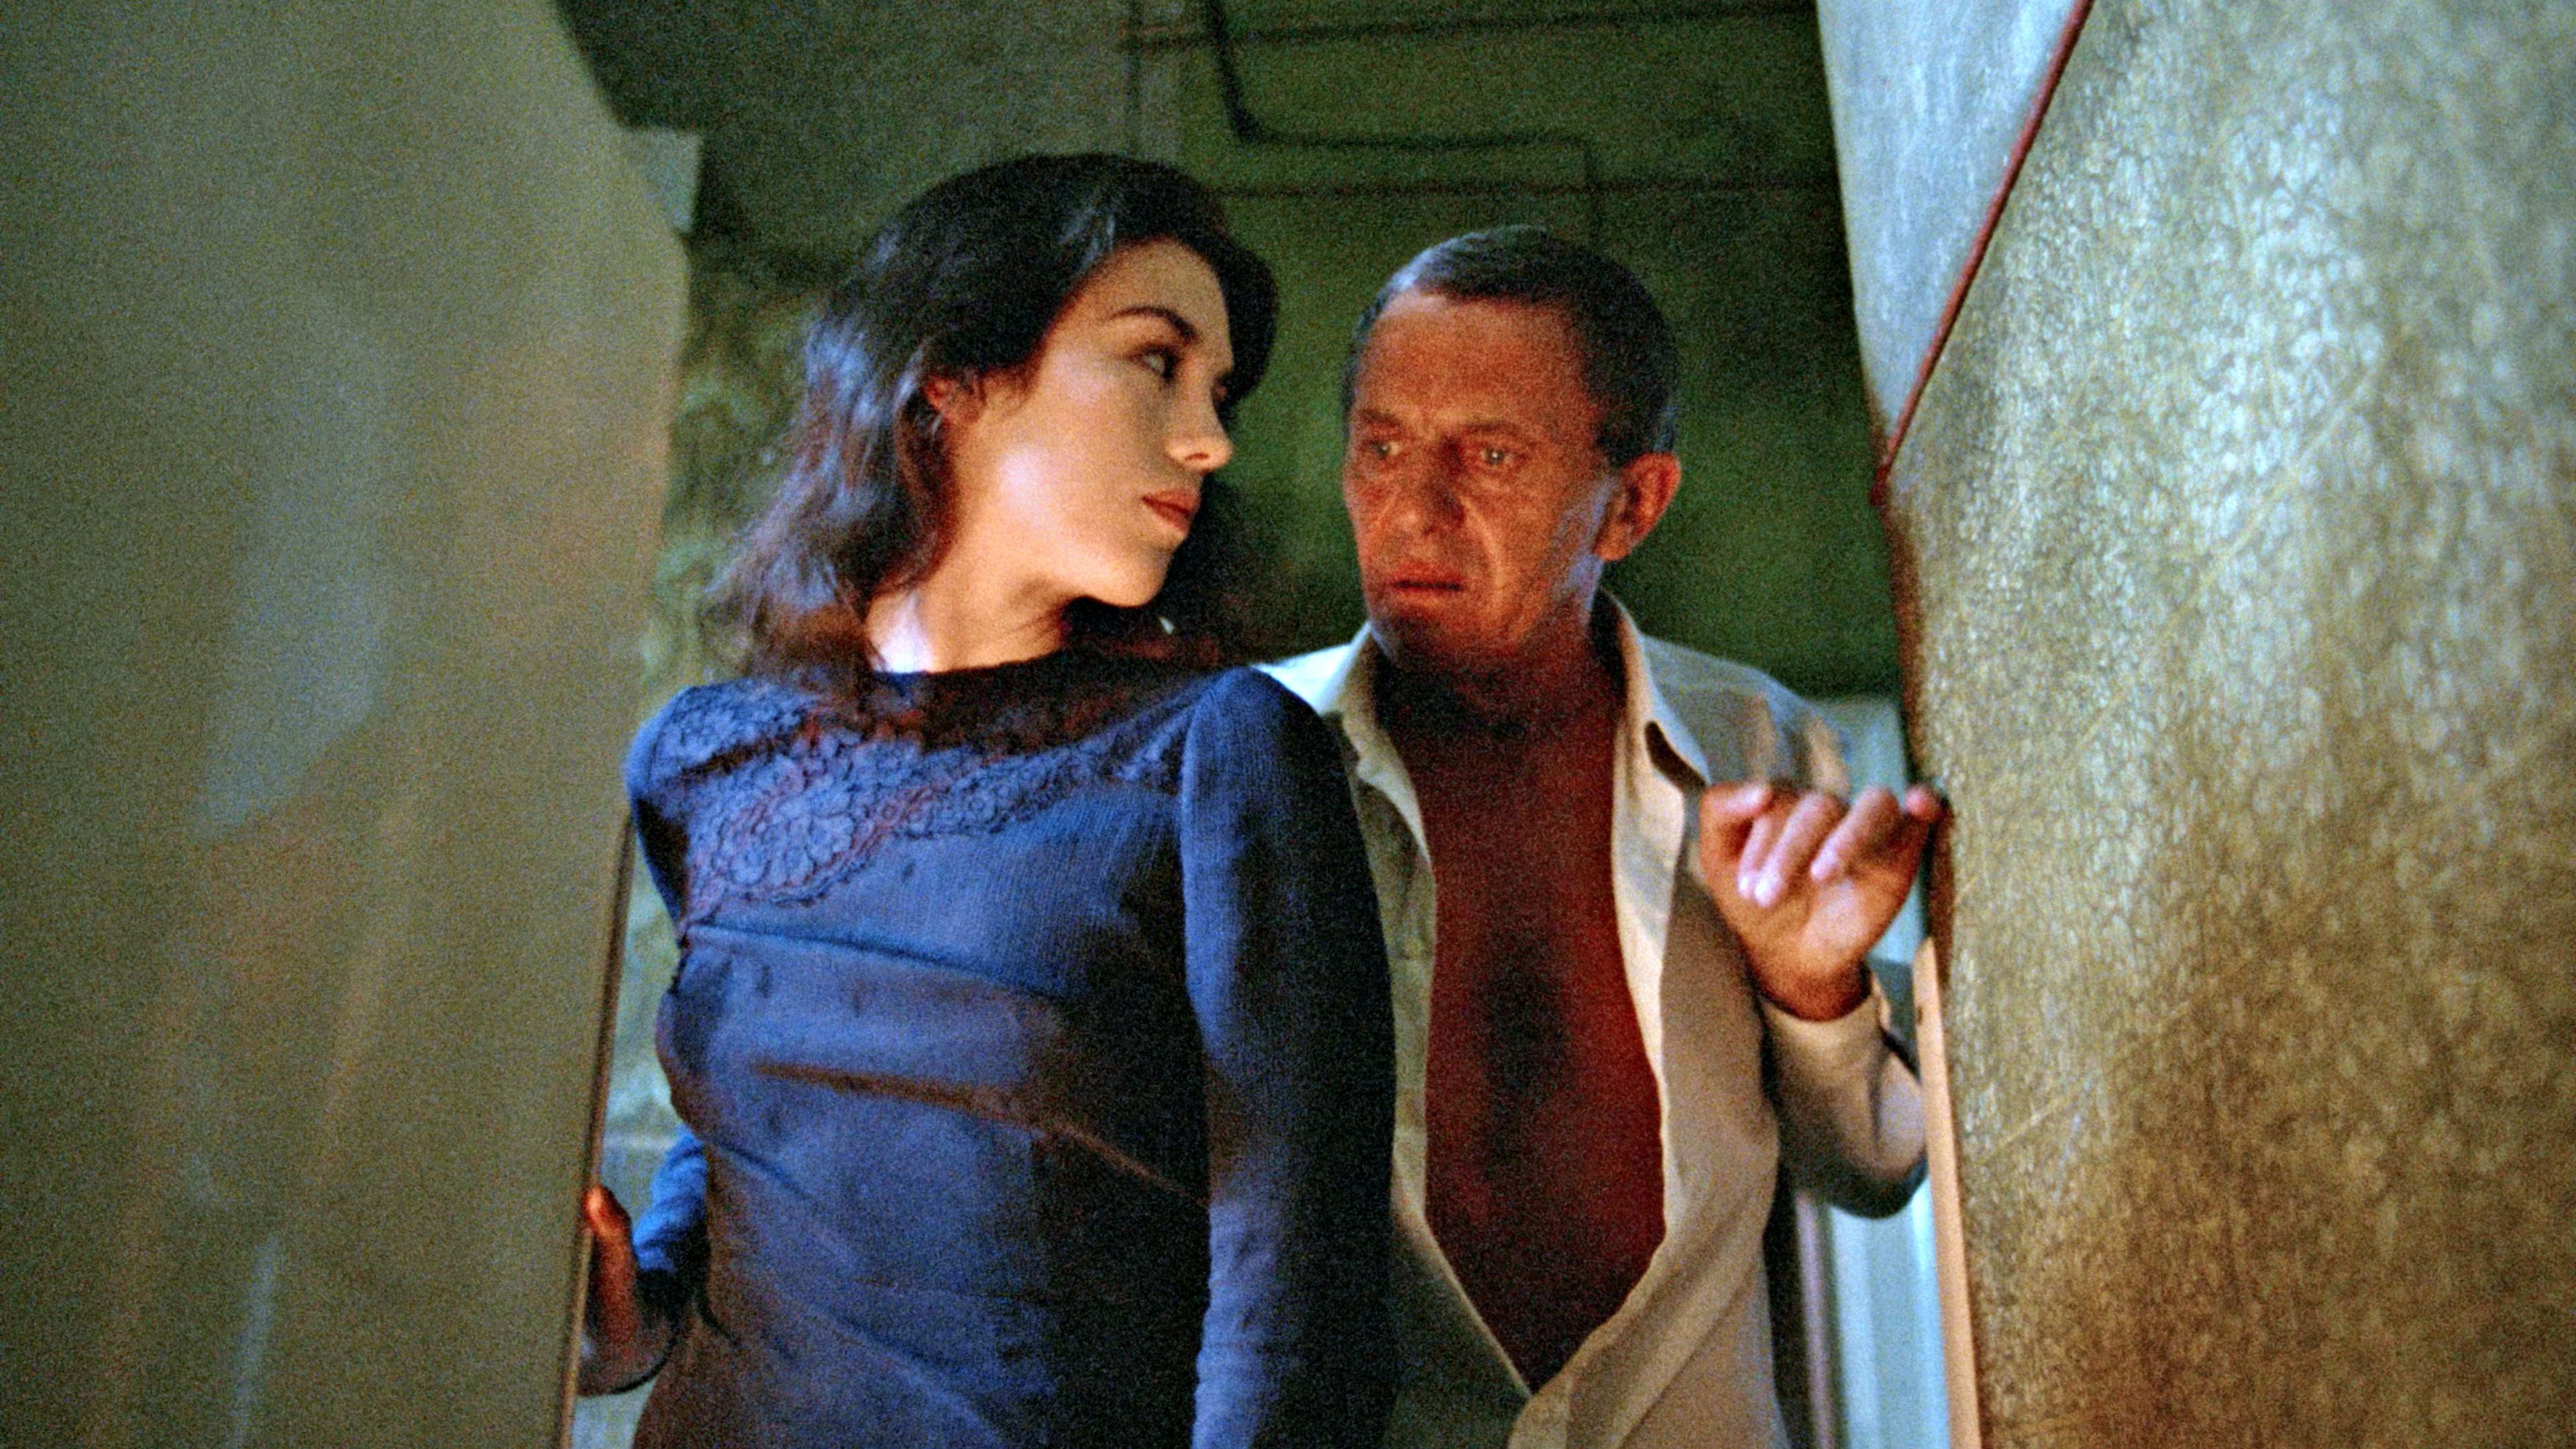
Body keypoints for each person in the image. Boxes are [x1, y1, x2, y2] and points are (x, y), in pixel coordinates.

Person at [576, 154, 1395, 1448]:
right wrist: (632, 1312)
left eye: (1220, 392)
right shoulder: (702, 758)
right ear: (950, 379)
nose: (1210, 439)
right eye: (1157, 362)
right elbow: (743, 1132)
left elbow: (1298, 1310)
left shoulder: (1218, 755)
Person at [1261, 226, 1937, 1448]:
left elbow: (1875, 1174)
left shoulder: (1760, 750)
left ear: (1631, 504)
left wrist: (1813, 991)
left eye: (1492, 457)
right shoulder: (1242, 767)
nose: (1415, 510)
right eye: (1382, 447)